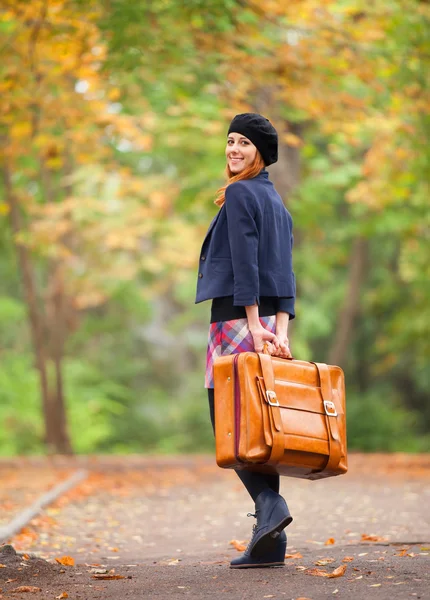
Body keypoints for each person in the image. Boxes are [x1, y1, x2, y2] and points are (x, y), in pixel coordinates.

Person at [195, 113, 296, 568]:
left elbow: (246, 262)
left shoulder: (239, 194)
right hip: (264, 325)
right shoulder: (275, 200)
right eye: (230, 141)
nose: (234, 149)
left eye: (243, 143)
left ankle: (270, 508)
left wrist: (254, 324)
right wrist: (281, 330)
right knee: (256, 423)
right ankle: (269, 541)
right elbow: (285, 272)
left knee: (228, 422)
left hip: (237, 319)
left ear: (259, 151)